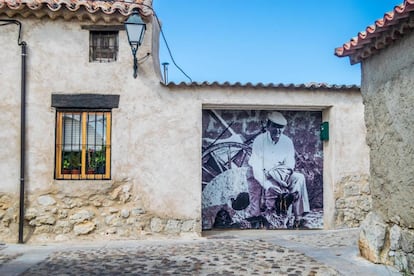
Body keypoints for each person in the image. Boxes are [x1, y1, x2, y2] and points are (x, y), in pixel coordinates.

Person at [246, 111, 310, 227]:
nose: (278, 131)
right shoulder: (259, 141)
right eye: (275, 127)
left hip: (279, 174)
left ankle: (298, 218)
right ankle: (258, 218)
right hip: (259, 173)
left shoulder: (287, 142)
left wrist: (283, 178)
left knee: (299, 178)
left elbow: (290, 163)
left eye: (281, 128)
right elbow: (257, 167)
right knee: (256, 207)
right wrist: (268, 185)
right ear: (268, 127)